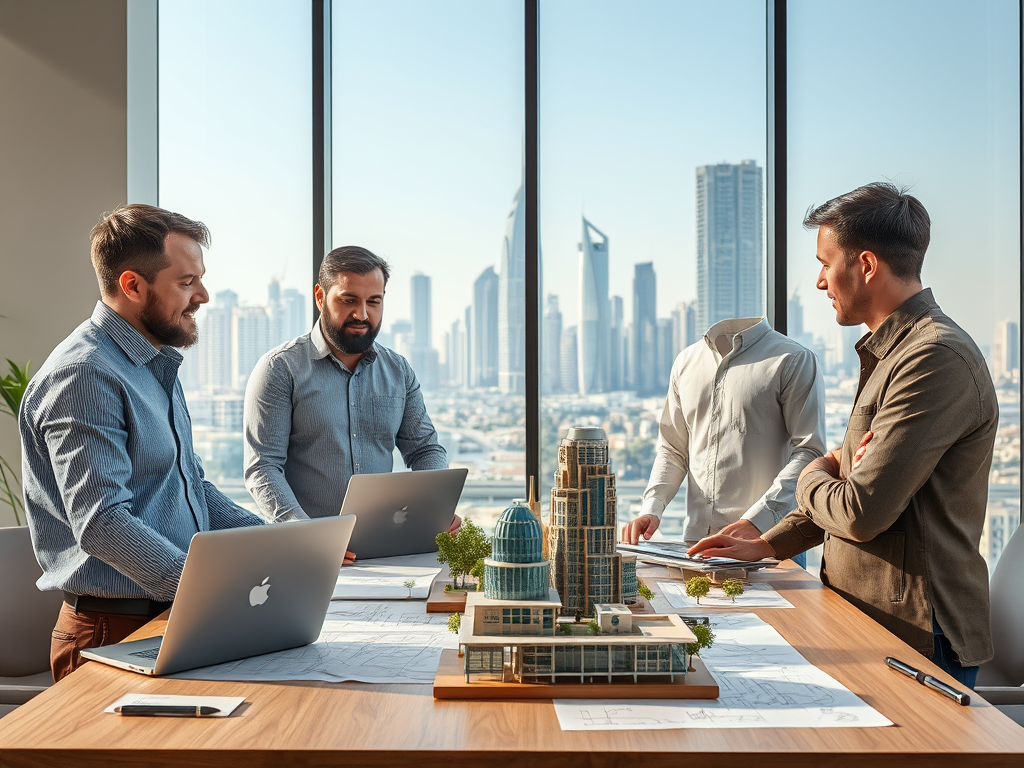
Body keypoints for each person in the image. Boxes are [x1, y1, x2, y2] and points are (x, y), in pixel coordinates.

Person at [690, 183, 997, 686]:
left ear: (867, 266)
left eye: (826, 263)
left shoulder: (933, 359)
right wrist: (769, 544)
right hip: (872, 617)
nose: (819, 282)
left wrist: (813, 471)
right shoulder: (890, 354)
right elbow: (860, 487)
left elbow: (860, 510)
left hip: (919, 633)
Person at [19, 204, 265, 681]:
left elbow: (193, 489)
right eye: (186, 281)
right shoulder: (85, 375)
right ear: (133, 285)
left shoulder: (153, 364)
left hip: (165, 613)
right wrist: (202, 590)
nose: (204, 295)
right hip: (112, 632)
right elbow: (102, 523)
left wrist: (279, 547)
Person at [243, 246, 455, 550]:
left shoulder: (398, 370)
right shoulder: (280, 369)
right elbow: (262, 468)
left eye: (374, 301)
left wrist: (437, 509)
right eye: (348, 300)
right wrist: (308, 536)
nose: (363, 314)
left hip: (387, 548)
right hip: (308, 553)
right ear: (320, 297)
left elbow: (424, 449)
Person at [621, 317, 827, 552]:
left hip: (766, 544)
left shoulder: (793, 359)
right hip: (696, 544)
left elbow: (811, 451)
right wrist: (651, 509)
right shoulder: (686, 361)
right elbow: (673, 449)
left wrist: (757, 520)